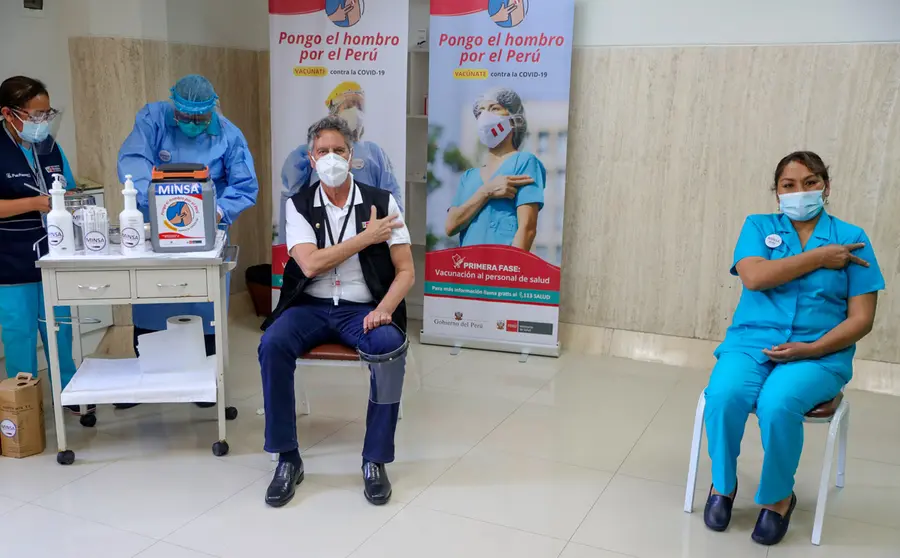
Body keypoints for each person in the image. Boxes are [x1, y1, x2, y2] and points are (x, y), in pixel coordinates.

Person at [702, 151, 884, 546]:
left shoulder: (852, 239)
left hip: (820, 353)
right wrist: (820, 257)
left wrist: (812, 348)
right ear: (777, 193)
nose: (800, 191)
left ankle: (778, 498)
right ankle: (722, 487)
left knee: (778, 403)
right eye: (789, 185)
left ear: (826, 187)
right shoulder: (758, 226)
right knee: (724, 394)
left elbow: (861, 319)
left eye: (811, 182)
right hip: (751, 343)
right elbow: (754, 277)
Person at [259, 115, 414, 508]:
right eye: (322, 151)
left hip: (363, 308)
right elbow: (310, 265)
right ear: (311, 159)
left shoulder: (382, 202)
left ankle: (375, 460)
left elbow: (406, 271)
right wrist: (366, 238)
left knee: (388, 350)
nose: (331, 158)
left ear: (352, 155)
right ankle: (286, 458)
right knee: (273, 343)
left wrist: (384, 308)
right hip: (310, 305)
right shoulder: (297, 206)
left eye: (339, 151)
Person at [117, 74, 258, 408]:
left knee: (203, 302)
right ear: (174, 108)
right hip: (158, 230)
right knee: (153, 297)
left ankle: (205, 383)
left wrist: (218, 212)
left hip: (208, 230)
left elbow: (245, 184)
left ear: (212, 110)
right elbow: (133, 163)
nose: (194, 124)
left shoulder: (228, 134)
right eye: (187, 118)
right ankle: (146, 378)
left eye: (201, 118)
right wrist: (153, 204)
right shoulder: (153, 120)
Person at [0, 76, 90, 416]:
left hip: (53, 254)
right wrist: (33, 203)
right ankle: (23, 403)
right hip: (10, 258)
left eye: (46, 113)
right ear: (9, 113)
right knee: (19, 333)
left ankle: (68, 393)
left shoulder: (48, 145)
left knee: (58, 328)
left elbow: (67, 186)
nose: (42, 122)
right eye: (35, 115)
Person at [276, 81, 401, 245]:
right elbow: (292, 195)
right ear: (334, 111)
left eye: (359, 107)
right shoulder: (309, 152)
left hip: (368, 234)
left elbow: (392, 197)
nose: (355, 112)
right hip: (321, 232)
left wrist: (390, 235)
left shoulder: (374, 152)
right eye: (349, 105)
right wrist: (287, 245)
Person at [445, 87, 545, 251]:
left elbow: (527, 228)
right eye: (481, 110)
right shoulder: (469, 176)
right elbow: (451, 226)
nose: (485, 116)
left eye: (494, 108)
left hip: (502, 270)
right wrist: (486, 191)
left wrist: (510, 271)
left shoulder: (524, 162)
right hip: (468, 269)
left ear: (513, 119)